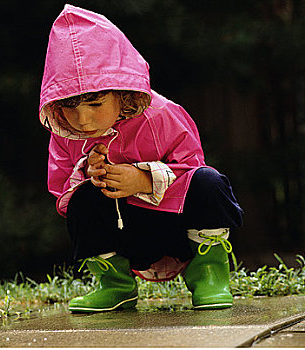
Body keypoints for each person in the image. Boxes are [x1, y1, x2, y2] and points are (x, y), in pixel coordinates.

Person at [38, 4, 243, 313]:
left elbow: (192, 168)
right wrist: (87, 173)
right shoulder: (65, 133)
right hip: (125, 236)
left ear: (121, 91)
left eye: (95, 103)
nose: (82, 119)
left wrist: (144, 179)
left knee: (209, 182)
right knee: (81, 199)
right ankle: (114, 285)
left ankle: (209, 273)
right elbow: (60, 190)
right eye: (70, 106)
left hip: (176, 228)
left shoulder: (161, 114)